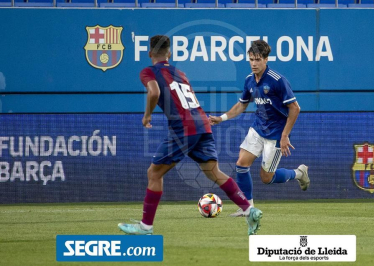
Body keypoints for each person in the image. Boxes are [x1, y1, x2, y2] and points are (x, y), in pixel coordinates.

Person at [118, 35, 262, 235]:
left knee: (154, 173)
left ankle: (146, 227)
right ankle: (249, 209)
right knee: (213, 172)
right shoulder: (180, 73)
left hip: (183, 127)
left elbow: (154, 92)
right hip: (202, 123)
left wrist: (147, 116)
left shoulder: (148, 71)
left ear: (150, 53)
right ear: (169, 53)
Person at [209, 40, 310, 217]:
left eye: (257, 59)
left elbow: (295, 108)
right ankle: (248, 207)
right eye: (251, 59)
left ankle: (299, 173)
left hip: (276, 134)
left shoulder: (277, 81)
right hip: (258, 129)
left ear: (265, 59)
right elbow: (241, 105)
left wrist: (285, 135)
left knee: (266, 178)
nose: (254, 63)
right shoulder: (249, 80)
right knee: (241, 164)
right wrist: (222, 118)